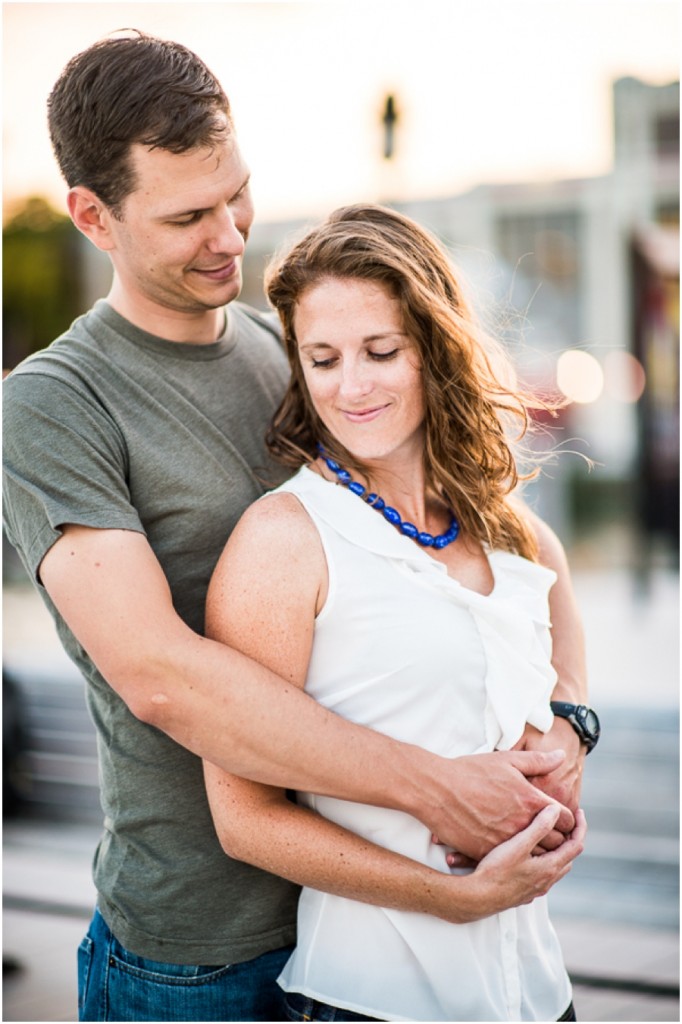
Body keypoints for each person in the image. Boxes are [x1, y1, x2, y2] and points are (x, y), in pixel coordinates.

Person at [1, 30, 593, 1023]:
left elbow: (507, 542)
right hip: (201, 947)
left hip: (378, 922)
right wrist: (436, 792)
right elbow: (161, 677)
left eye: (237, 193)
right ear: (93, 218)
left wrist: (568, 717)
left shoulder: (305, 354)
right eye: (189, 216)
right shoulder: (57, 404)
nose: (231, 235)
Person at [202, 203, 595, 1022]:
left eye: (381, 351)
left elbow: (564, 668)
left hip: (535, 992)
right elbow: (245, 820)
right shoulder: (285, 541)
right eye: (323, 358)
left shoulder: (510, 530)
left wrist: (570, 737)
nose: (352, 386)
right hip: (372, 996)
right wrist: (443, 896)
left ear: (435, 349)